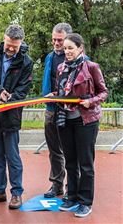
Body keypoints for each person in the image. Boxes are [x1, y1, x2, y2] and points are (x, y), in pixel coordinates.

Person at [48, 33, 108, 217]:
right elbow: (62, 91)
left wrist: (92, 102)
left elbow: (103, 92)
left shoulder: (91, 67)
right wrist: (54, 95)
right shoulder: (60, 68)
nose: (66, 52)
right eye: (65, 48)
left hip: (86, 120)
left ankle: (85, 202)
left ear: (80, 48)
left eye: (70, 48)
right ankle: (72, 196)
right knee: (71, 162)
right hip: (64, 120)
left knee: (86, 163)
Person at [0, 25, 33, 210]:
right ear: (4, 38)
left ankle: (16, 193)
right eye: (8, 45)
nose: (10, 49)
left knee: (13, 156)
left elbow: (24, 89)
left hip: (11, 114)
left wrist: (9, 100)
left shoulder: (26, 62)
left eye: (15, 47)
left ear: (21, 43)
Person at [41, 23, 73, 198]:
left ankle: (72, 187)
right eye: (54, 39)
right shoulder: (50, 57)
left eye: (59, 40)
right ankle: (57, 184)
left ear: (68, 38)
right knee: (54, 149)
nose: (56, 43)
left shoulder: (78, 57)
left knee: (70, 149)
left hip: (69, 110)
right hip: (51, 108)